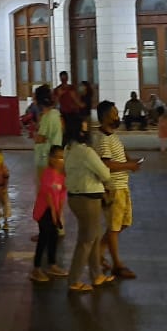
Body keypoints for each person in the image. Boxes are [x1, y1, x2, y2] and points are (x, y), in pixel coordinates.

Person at [63, 116, 114, 292]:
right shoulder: (86, 152)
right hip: (88, 199)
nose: (87, 133)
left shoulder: (68, 149)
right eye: (85, 129)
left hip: (75, 197)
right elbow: (105, 174)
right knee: (86, 239)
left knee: (95, 235)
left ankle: (97, 274)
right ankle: (74, 280)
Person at [93, 102, 142, 279]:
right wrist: (129, 165)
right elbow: (106, 164)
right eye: (113, 113)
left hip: (122, 186)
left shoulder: (112, 135)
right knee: (114, 227)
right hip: (114, 188)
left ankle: (99, 252)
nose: (117, 116)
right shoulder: (103, 138)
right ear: (104, 116)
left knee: (123, 223)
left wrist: (130, 160)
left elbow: (119, 154)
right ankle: (117, 264)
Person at [29, 146, 67, 283]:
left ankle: (52, 265)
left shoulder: (62, 176)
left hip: (54, 211)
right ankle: (36, 269)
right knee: (44, 238)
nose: (60, 160)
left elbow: (62, 194)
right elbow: (48, 194)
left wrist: (58, 212)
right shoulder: (48, 173)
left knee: (54, 237)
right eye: (58, 157)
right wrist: (53, 213)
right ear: (51, 159)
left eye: (62, 157)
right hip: (44, 210)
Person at [33, 85, 61, 180]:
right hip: (55, 155)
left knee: (44, 188)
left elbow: (41, 138)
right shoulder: (56, 113)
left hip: (45, 158)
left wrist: (35, 136)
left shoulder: (46, 117)